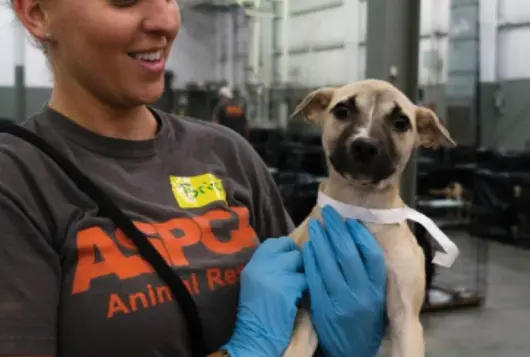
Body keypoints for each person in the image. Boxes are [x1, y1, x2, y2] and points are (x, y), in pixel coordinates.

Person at [0, 1, 386, 357]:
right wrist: (248, 350)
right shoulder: (18, 180)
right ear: (37, 13)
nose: (166, 22)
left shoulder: (226, 153)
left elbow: (301, 308)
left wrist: (338, 342)